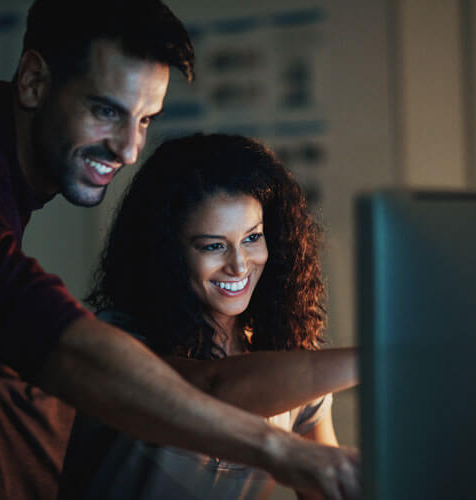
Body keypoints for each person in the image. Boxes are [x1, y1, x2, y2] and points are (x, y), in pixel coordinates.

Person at [0, 0, 358, 498]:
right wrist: (282, 451)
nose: (129, 148)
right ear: (33, 80)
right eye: (107, 111)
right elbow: (53, 338)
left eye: (145, 119)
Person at [55, 133, 359, 499]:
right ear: (167, 254)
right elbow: (213, 389)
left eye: (252, 238)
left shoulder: (286, 366)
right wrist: (387, 355)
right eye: (213, 246)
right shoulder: (115, 341)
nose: (239, 265)